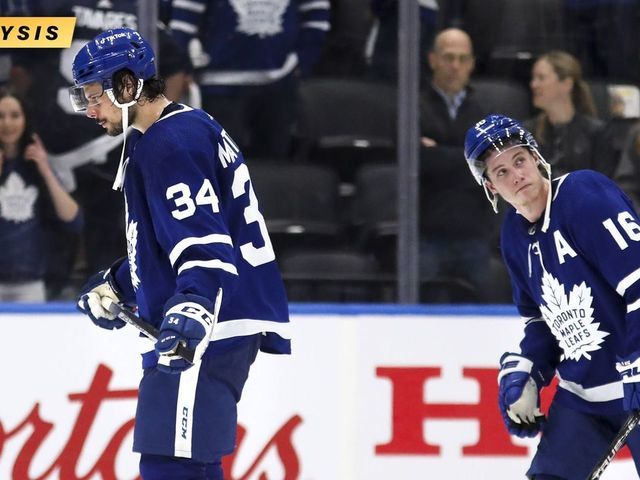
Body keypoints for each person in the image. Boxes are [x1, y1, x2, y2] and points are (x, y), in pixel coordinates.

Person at [71, 28, 291, 479]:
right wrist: (123, 281)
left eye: (96, 96)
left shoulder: (168, 143)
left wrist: (192, 309)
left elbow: (204, 246)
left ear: (128, 86)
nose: (90, 110)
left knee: (169, 464)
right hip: (215, 312)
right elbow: (180, 238)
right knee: (188, 460)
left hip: (209, 320)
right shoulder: (178, 128)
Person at [464, 113, 640, 479]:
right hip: (586, 398)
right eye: (501, 172)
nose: (517, 175)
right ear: (491, 188)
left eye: (519, 160)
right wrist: (530, 370)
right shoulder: (513, 236)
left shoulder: (583, 195)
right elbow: (543, 321)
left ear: (535, 157)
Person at [165, 0, 330, 159]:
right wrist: (183, 65)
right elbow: (183, 24)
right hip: (219, 88)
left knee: (276, 168)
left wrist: (302, 60)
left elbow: (317, 15)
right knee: (224, 168)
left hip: (279, 84)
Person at [417, 28, 499, 302]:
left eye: (462, 59)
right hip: (425, 232)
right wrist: (467, 157)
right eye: (448, 57)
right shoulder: (412, 107)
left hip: (474, 233)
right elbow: (417, 162)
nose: (455, 66)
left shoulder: (486, 112)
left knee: (490, 303)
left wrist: (439, 152)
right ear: (432, 60)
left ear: (472, 64)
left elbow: (488, 166)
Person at [0, 87, 82, 302]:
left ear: (25, 119)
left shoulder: (38, 168)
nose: (7, 123)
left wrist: (45, 169)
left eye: (15, 115)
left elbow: (73, 220)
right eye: (1, 116)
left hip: (32, 285)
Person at [525, 50, 617, 178]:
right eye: (533, 78)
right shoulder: (526, 133)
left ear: (567, 84)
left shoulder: (597, 133)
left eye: (541, 78)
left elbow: (602, 185)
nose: (533, 84)